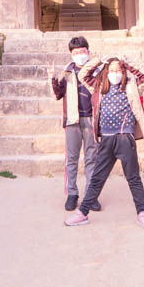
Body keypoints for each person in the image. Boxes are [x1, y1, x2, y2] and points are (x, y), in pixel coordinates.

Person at [64, 55, 144, 229]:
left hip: (125, 139)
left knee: (133, 178)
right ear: (106, 72)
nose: (115, 73)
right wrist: (98, 60)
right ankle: (82, 213)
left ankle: (142, 214)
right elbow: (83, 75)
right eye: (112, 70)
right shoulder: (98, 88)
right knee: (97, 178)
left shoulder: (131, 86)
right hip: (106, 140)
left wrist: (126, 62)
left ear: (123, 72)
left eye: (119, 70)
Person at [48, 36, 101, 212]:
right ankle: (72, 193)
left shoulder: (97, 71)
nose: (80, 55)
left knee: (92, 158)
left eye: (82, 52)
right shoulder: (67, 72)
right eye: (76, 52)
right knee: (71, 159)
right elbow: (58, 94)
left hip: (91, 119)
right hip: (72, 120)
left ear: (88, 52)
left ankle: (91, 195)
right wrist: (53, 79)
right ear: (71, 54)